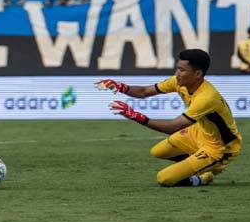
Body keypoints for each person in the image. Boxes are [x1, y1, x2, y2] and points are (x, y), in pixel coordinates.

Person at [95, 49, 242, 187]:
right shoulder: (179, 82)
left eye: (182, 70)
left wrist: (135, 116)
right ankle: (201, 164)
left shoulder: (206, 98)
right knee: (158, 151)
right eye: (177, 68)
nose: (177, 73)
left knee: (164, 179)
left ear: (197, 74)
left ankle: (205, 176)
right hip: (199, 132)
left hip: (221, 148)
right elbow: (144, 91)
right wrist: (120, 87)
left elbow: (173, 128)